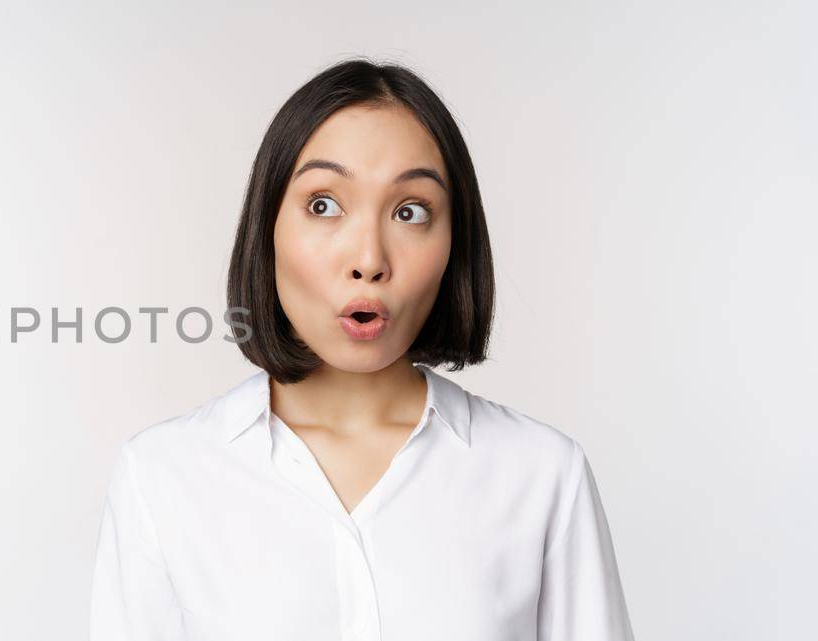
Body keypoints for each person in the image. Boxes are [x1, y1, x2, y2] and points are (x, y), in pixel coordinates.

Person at [88, 59, 635, 641]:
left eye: (410, 211)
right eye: (323, 205)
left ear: (456, 241)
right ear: (266, 227)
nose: (369, 260)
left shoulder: (542, 475)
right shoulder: (162, 477)